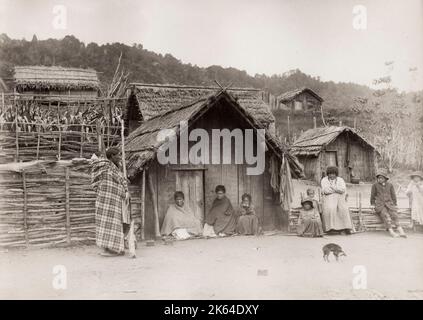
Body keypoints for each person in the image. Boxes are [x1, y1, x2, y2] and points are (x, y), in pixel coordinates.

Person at [91, 147, 129, 257]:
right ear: (112, 156)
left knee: (114, 224)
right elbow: (95, 180)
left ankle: (116, 249)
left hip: (115, 202)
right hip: (104, 201)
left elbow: (121, 181)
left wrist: (124, 190)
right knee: (105, 224)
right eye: (118, 155)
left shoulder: (116, 168)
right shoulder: (104, 166)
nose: (120, 157)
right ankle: (108, 249)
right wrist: (101, 191)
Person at [370, 169, 406, 238]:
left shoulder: (390, 185)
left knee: (394, 215)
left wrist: (395, 204)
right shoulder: (375, 185)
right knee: (386, 216)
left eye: (382, 178)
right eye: (379, 178)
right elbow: (372, 196)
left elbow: (393, 195)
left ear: (385, 179)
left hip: (389, 204)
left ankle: (401, 231)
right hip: (380, 205)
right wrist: (372, 205)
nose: (380, 179)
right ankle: (391, 232)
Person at [320, 166, 353, 235]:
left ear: (336, 174)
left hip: (340, 198)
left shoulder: (340, 180)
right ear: (328, 174)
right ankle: (331, 228)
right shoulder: (324, 180)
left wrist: (333, 187)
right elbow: (325, 190)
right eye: (330, 174)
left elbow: (343, 189)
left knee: (343, 209)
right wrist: (336, 189)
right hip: (328, 198)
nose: (332, 175)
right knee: (330, 208)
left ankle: (344, 228)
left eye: (333, 174)